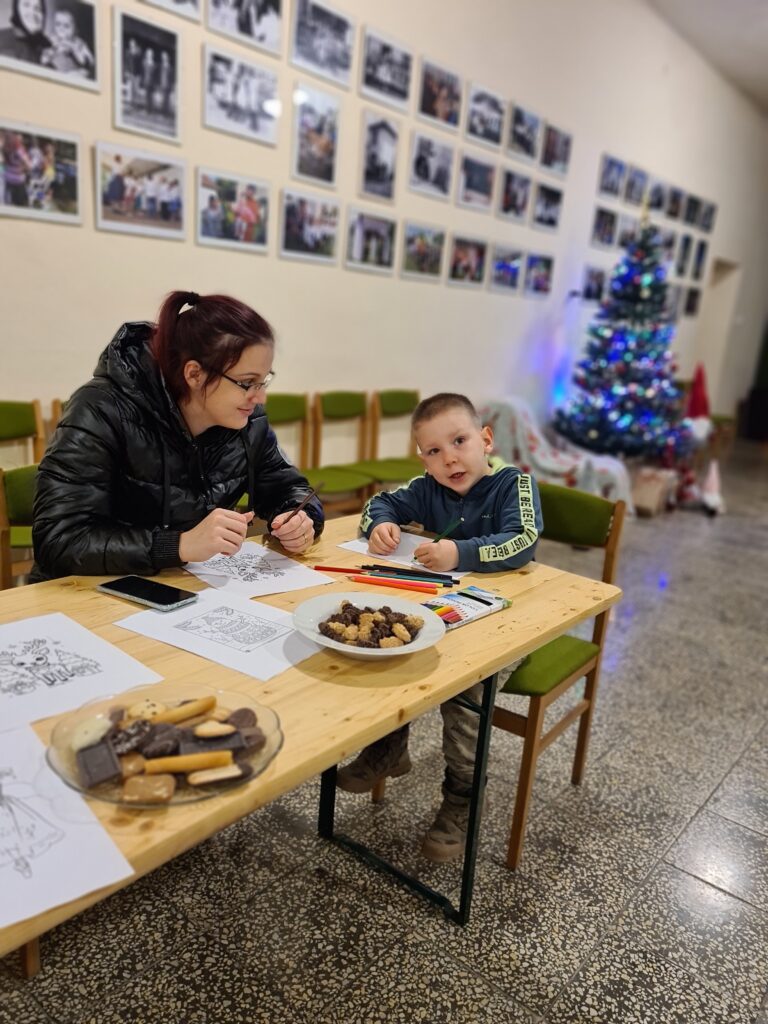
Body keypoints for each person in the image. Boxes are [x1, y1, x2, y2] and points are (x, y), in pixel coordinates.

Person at [337, 393, 543, 862]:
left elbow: (523, 541)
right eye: (433, 450)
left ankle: (463, 797)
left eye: (459, 441)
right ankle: (388, 746)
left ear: (485, 439)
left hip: (507, 622)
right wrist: (380, 526)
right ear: (423, 459)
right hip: (445, 613)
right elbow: (379, 503)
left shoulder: (514, 485)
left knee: (465, 693)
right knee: (388, 649)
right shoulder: (427, 488)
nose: (449, 458)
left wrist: (459, 552)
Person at [32, 291, 324, 582]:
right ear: (194, 374)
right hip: (85, 590)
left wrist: (300, 518)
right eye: (247, 383)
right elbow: (59, 540)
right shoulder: (101, 409)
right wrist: (179, 545)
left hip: (186, 585)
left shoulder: (246, 419)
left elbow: (287, 487)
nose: (260, 398)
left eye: (264, 381)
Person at [39, 7, 94, 78]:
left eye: (66, 26)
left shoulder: (78, 42)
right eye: (58, 24)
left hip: (74, 73)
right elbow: (43, 59)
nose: (61, 28)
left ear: (75, 29)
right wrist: (52, 51)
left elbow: (90, 61)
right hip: (56, 72)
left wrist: (76, 51)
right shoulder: (52, 39)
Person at [0, 0, 52, 64]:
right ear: (16, 9)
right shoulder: (3, 41)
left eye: (38, 8)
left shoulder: (46, 49)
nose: (32, 12)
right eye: (26, 5)